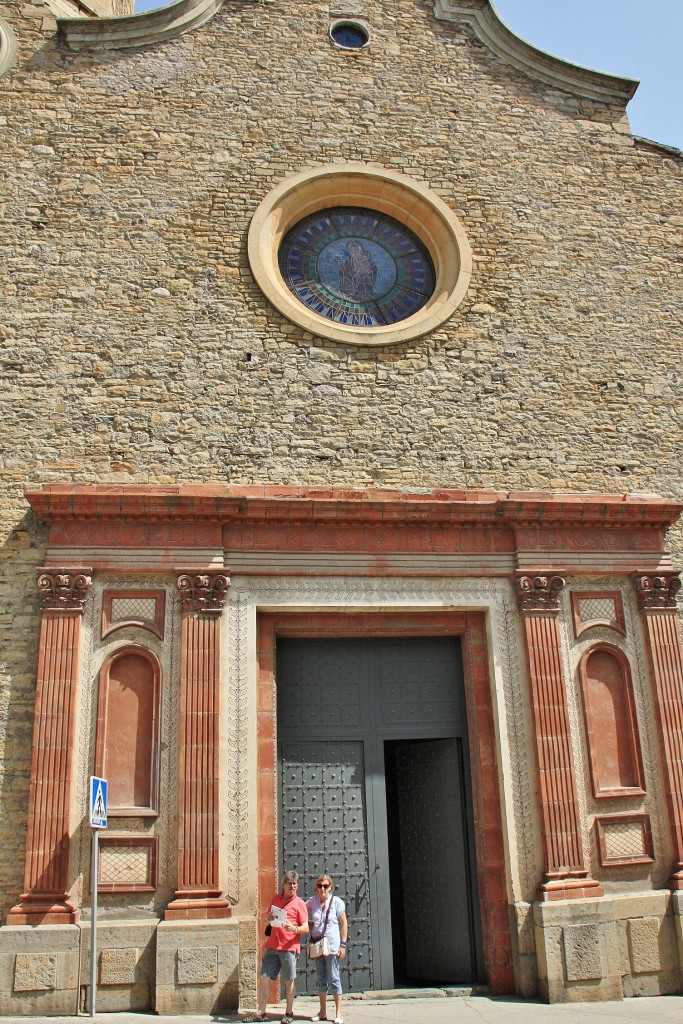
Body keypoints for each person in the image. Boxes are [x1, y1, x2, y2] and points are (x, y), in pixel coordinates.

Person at [243, 870, 309, 1024]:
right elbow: (267, 921)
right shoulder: (275, 899)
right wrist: (268, 918)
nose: (292, 886)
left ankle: (289, 1012)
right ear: (283, 885)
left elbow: (306, 927)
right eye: (289, 883)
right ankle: (260, 1012)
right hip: (272, 945)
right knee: (264, 978)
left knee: (289, 980)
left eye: (295, 884)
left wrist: (294, 928)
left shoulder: (300, 904)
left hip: (289, 947)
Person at [306, 874, 348, 1024]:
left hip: (332, 946)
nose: (322, 889)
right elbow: (300, 912)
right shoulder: (312, 902)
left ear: (330, 887)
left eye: (325, 886)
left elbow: (344, 924)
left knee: (334, 977)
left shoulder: (336, 902)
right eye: (320, 886)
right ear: (316, 887)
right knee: (321, 978)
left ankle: (339, 1013)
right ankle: (322, 1011)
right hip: (318, 946)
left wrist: (343, 944)